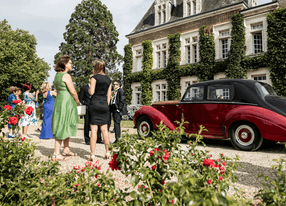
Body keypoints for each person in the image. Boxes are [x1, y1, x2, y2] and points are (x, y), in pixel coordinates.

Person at [52, 55, 80, 161]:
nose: (71, 64)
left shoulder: (57, 75)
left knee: (65, 121)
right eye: (70, 62)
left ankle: (66, 149)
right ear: (65, 64)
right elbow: (72, 91)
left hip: (60, 99)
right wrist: (77, 101)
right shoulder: (66, 75)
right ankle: (56, 153)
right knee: (62, 122)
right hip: (66, 101)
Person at [88, 59, 112, 161]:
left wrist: (89, 86)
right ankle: (107, 152)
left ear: (96, 67)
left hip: (95, 104)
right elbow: (109, 95)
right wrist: (106, 105)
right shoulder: (109, 80)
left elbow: (91, 92)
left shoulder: (93, 78)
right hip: (104, 105)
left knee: (94, 130)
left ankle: (92, 154)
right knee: (105, 130)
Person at [79, 74, 103, 145]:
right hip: (87, 108)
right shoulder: (84, 88)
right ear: (89, 79)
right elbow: (80, 98)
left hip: (96, 108)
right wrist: (85, 104)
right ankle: (87, 139)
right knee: (87, 124)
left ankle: (99, 138)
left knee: (98, 123)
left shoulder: (97, 88)